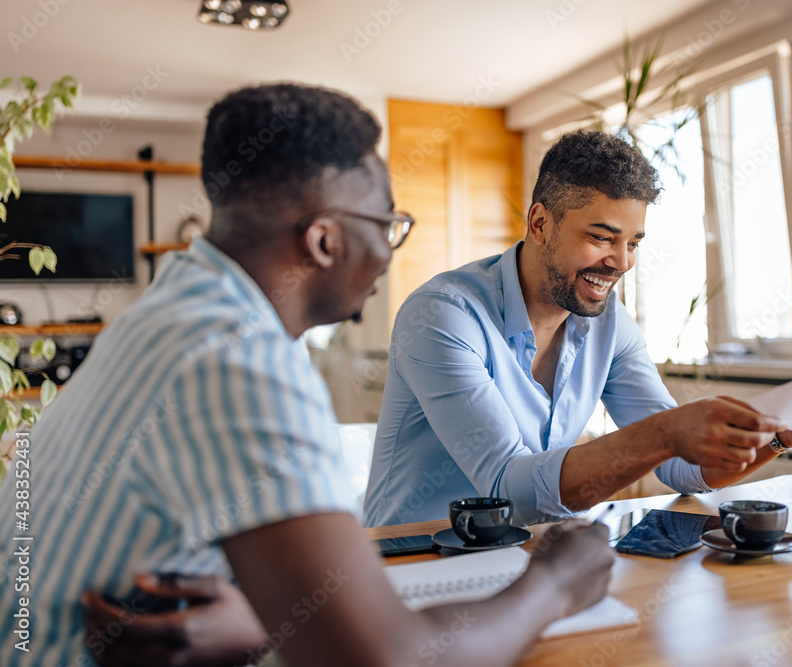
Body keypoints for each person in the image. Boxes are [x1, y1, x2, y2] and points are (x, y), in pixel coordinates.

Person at [0, 84, 615, 667]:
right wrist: (557, 581)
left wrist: (266, 623)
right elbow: (386, 659)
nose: (388, 250)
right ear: (324, 240)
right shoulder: (242, 358)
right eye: (388, 225)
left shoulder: (175, 309)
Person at [363, 129, 792, 528]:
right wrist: (664, 432)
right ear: (539, 224)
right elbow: (506, 488)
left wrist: (780, 435)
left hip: (523, 557)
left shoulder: (608, 324)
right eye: (602, 238)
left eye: (634, 243)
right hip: (412, 560)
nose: (621, 262)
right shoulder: (443, 314)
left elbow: (684, 470)